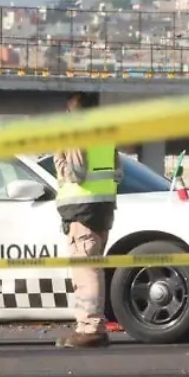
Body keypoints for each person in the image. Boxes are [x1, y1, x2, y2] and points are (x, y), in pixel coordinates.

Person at [53, 92, 120, 349]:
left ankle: (91, 327)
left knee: (86, 271)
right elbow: (118, 173)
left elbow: (76, 173)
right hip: (102, 209)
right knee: (92, 269)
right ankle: (86, 326)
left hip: (82, 210)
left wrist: (58, 158)